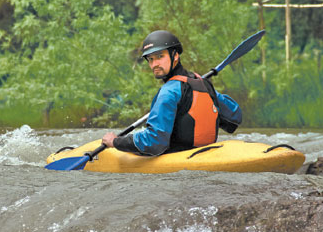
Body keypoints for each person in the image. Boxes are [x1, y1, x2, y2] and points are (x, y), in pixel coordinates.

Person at [101, 30, 242, 156]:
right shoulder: (203, 83)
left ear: (175, 55)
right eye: (150, 59)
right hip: (204, 153)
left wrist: (116, 142)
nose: (154, 64)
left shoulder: (168, 92)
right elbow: (235, 117)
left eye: (159, 56)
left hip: (177, 157)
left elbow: (154, 142)